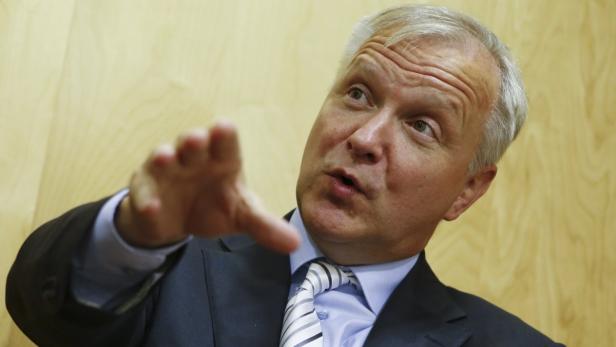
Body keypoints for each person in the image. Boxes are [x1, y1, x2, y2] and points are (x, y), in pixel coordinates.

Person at [7, 5, 564, 347]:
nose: (365, 138)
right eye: (358, 93)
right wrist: (128, 235)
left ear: (468, 188)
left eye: (421, 125)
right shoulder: (165, 269)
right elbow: (44, 310)